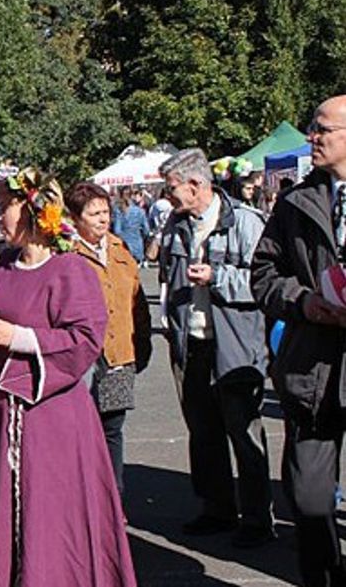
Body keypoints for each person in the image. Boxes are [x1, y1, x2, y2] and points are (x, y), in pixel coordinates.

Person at [0, 167, 134, 587]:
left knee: (50, 516)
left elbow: (86, 339)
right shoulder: (3, 264)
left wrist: (22, 338)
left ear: (30, 208)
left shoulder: (71, 269)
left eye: (3, 208)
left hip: (51, 419)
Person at [157, 148, 274, 548]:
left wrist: (217, 277)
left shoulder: (246, 222)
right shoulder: (175, 225)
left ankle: (258, 518)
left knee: (244, 431)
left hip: (237, 344)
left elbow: (265, 284)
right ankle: (217, 509)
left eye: (172, 188)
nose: (166, 195)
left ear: (196, 185)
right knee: (203, 432)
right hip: (191, 344)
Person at [251, 95, 346, 586]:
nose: (312, 136)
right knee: (310, 498)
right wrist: (305, 301)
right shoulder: (295, 201)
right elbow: (264, 274)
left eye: (322, 129)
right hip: (314, 371)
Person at [67, 181, 152, 499]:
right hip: (84, 359)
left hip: (120, 354)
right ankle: (85, 498)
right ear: (76, 218)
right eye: (94, 213)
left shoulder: (119, 249)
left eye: (106, 212)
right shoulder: (67, 254)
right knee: (82, 431)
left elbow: (137, 299)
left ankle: (113, 498)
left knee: (113, 428)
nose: (103, 219)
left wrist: (141, 342)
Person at [112, 186, 150, 263]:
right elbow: (147, 230)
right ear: (132, 196)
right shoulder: (140, 211)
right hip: (137, 246)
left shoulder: (118, 211)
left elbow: (117, 231)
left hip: (123, 246)